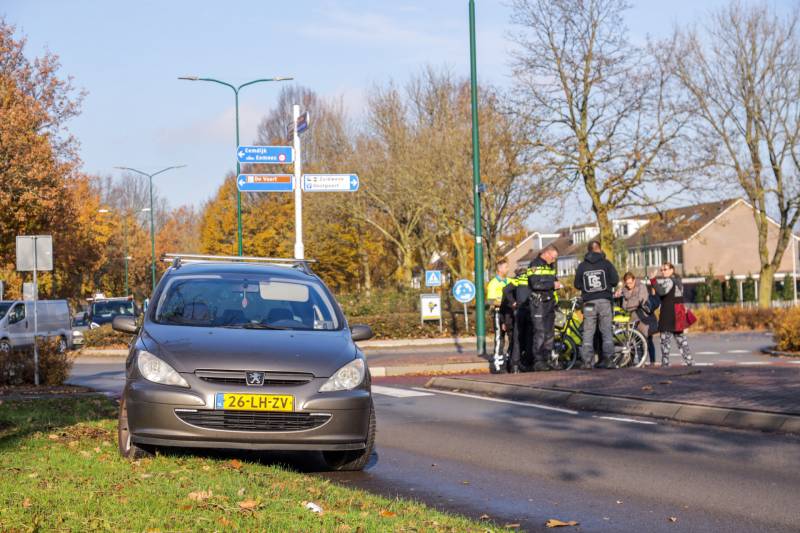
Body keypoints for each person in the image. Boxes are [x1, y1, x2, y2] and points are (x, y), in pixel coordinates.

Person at [574, 240, 619, 369]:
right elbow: (615, 281)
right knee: (606, 331)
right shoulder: (606, 264)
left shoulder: (582, 266)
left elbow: (576, 284)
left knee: (588, 331)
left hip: (589, 302)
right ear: (599, 249)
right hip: (604, 301)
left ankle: (587, 361)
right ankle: (609, 360)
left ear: (588, 250)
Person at [527, 245, 562, 372]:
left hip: (549, 303)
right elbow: (535, 284)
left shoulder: (550, 266)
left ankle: (547, 359)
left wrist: (556, 284)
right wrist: (552, 284)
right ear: (547, 254)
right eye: (553, 258)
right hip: (539, 303)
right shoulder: (534, 265)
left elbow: (554, 281)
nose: (554, 261)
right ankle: (538, 361)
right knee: (540, 332)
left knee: (549, 333)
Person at [653, 262, 694, 367]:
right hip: (678, 314)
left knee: (665, 341)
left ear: (672, 270)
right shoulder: (679, 282)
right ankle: (689, 361)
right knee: (681, 340)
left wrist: (653, 280)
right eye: (661, 270)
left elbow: (662, 291)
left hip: (668, 314)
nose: (663, 271)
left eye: (665, 269)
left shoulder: (668, 281)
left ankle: (665, 363)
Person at [617, 272, 658, 365]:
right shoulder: (624, 290)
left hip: (644, 317)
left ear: (634, 280)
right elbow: (624, 306)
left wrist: (630, 303)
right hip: (633, 318)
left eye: (631, 283)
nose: (629, 285)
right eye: (627, 283)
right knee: (636, 341)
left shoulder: (641, 286)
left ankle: (652, 361)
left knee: (648, 340)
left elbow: (641, 300)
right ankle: (641, 362)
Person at [502, 265, 533, 373]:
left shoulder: (517, 279)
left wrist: (513, 302)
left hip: (519, 311)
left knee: (517, 340)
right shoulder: (530, 278)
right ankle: (527, 363)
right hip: (529, 311)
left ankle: (515, 365)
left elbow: (505, 290)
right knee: (529, 338)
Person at [486, 260, 511, 374]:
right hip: (499, 313)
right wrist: (504, 302)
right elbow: (490, 300)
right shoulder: (493, 283)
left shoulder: (510, 281)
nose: (507, 269)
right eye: (506, 267)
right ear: (499, 269)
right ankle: (497, 365)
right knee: (499, 338)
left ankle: (508, 362)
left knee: (511, 338)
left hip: (509, 313)